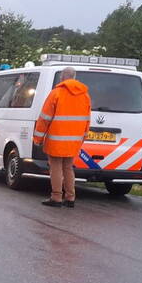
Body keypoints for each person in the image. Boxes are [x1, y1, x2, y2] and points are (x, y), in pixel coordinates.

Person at [33, 67, 91, 208]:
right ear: (74, 77)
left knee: (56, 168)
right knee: (68, 168)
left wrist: (37, 139)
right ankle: (70, 197)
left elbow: (44, 118)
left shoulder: (56, 93)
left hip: (56, 139)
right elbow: (87, 120)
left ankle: (56, 197)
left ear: (62, 77)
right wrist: (82, 138)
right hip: (74, 141)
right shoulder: (85, 96)